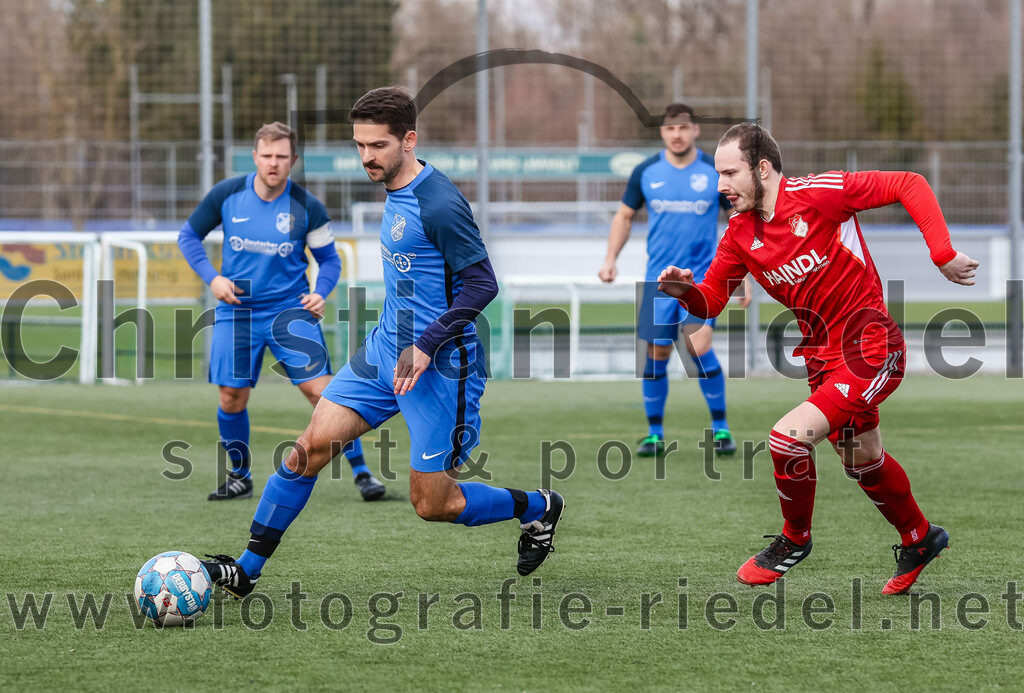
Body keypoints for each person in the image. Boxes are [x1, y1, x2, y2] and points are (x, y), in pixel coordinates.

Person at [201, 87, 565, 598]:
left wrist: (426, 343)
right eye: (359, 145)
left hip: (442, 367)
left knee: (432, 504)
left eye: (378, 146)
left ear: (409, 140)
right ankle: (247, 570)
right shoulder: (395, 188)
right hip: (382, 353)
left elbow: (483, 284)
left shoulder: (438, 203)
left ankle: (539, 507)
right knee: (305, 452)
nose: (366, 157)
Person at [657, 123, 978, 595]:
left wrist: (942, 252)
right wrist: (684, 291)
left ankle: (793, 540)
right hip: (822, 358)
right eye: (718, 174)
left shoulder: (821, 194)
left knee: (787, 440)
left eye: (729, 173)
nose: (720, 185)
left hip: (872, 347)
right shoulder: (740, 234)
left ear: (762, 169)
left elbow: (910, 183)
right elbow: (711, 301)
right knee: (863, 460)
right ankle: (919, 538)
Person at [177, 121, 386, 502]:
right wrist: (213, 278)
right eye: (267, 155)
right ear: (255, 156)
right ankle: (239, 477)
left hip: (290, 313)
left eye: (282, 156)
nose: (274, 163)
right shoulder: (227, 194)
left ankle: (363, 474)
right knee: (231, 397)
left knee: (324, 396)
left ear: (293, 161)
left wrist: (321, 292)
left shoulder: (308, 207)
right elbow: (188, 236)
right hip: (236, 311)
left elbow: (329, 260)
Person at [599, 103, 750, 458]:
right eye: (670, 129)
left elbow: (739, 221)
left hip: (705, 280)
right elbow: (624, 216)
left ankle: (721, 428)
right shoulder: (646, 171)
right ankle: (654, 434)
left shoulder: (714, 170)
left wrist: (742, 275)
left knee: (697, 346)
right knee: (656, 353)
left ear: (695, 130)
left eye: (684, 128)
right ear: (663, 132)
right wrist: (609, 259)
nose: (677, 134)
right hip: (658, 283)